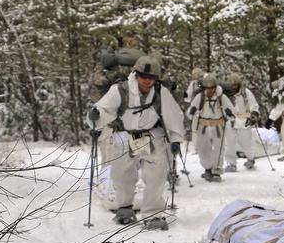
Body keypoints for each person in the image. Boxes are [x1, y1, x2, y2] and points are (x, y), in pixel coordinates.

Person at [87, 55, 186, 230]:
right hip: (125, 137)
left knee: (157, 175)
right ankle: (124, 207)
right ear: (136, 74)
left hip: (152, 138)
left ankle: (153, 213)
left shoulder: (161, 92)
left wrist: (176, 139)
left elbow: (174, 116)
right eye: (143, 76)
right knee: (122, 175)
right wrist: (95, 116)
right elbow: (104, 109)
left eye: (151, 77)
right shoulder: (120, 90)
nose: (147, 81)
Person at [187, 73, 235, 182]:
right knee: (202, 148)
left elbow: (232, 111)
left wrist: (230, 113)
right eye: (207, 88)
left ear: (215, 87)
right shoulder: (201, 97)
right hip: (203, 126)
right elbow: (190, 112)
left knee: (219, 149)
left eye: (212, 88)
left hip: (218, 126)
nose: (210, 91)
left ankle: (217, 171)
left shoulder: (222, 97)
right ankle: (208, 168)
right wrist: (192, 111)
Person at [222, 72, 260, 171]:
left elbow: (254, 105)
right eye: (232, 85)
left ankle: (250, 158)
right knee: (229, 143)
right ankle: (231, 164)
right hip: (231, 120)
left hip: (244, 120)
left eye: (235, 85)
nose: (234, 87)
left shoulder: (246, 93)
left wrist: (254, 115)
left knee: (245, 142)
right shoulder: (225, 95)